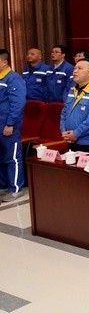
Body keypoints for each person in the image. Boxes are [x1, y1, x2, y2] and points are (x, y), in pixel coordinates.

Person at [60, 58, 89, 154]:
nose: (75, 71)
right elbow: (64, 112)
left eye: (80, 68)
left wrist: (76, 133)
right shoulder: (73, 89)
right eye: (75, 68)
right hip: (70, 140)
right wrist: (63, 130)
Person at [0, 49, 26, 202]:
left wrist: (10, 123)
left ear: (4, 62)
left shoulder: (13, 78)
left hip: (8, 125)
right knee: (1, 157)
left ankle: (16, 188)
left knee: (12, 158)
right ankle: (3, 185)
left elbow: (17, 103)